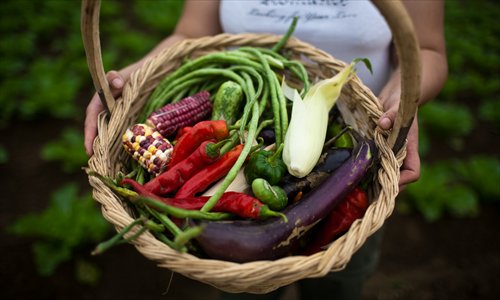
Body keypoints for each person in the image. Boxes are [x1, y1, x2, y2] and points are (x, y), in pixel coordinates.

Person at [84, 1, 448, 299]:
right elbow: (191, 33)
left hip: (357, 137)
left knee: (340, 281)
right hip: (262, 134)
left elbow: (427, 50)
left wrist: (404, 100)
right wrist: (135, 76)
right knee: (243, 287)